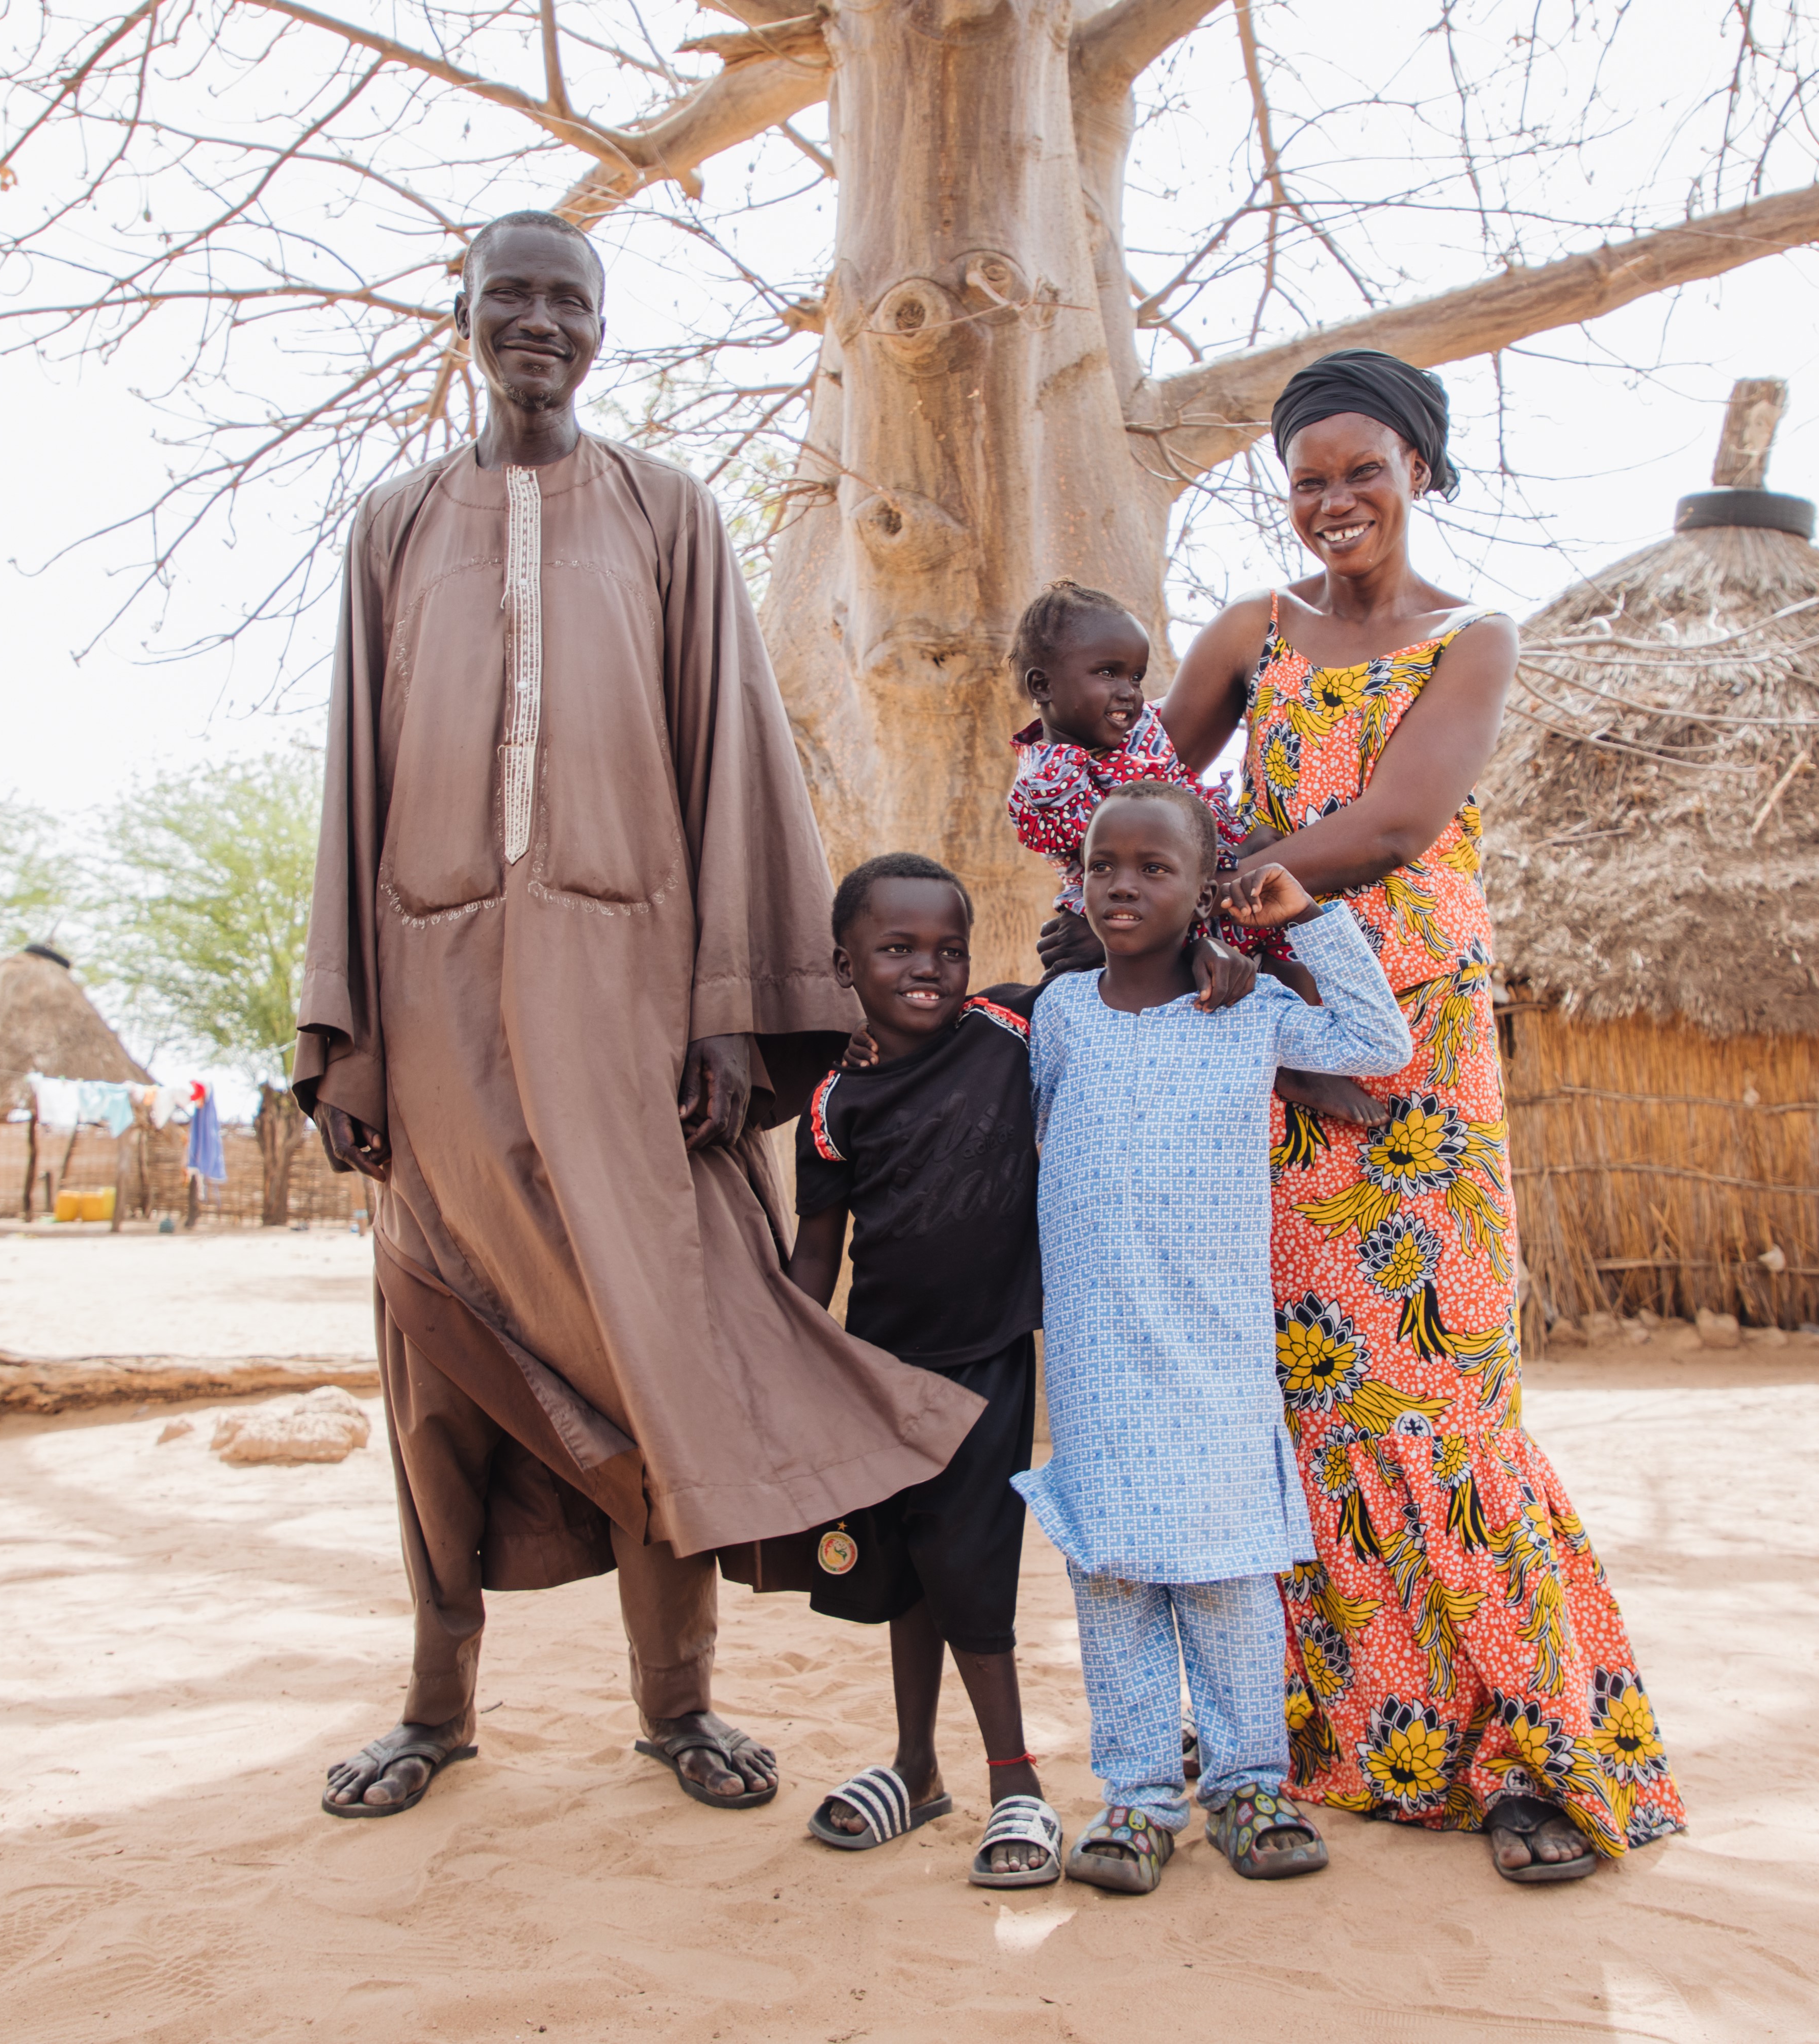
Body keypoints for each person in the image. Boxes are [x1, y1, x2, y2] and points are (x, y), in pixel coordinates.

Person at [299, 210, 985, 1820]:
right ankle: (433, 1704)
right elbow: (353, 773)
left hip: (633, 1015)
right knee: (436, 1356)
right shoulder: (392, 525)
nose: (538, 322)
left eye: (569, 300)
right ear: (462, 314)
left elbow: (732, 759)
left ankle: (677, 1707)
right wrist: (347, 1033)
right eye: (509, 296)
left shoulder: (667, 513)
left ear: (601, 330)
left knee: (655, 1340)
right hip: (435, 997)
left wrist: (733, 1013)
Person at [1151, 346, 1689, 1881]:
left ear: (1422, 477)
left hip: (1417, 1062)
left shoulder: (1474, 635)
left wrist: (1241, 878)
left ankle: (1532, 1759)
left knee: (1448, 1401)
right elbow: (1137, 771)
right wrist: (1099, 821)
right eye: (1309, 476)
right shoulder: (1250, 631)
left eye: (1363, 471)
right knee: (1308, 1400)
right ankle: (1335, 1725)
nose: (1334, 500)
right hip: (1263, 1050)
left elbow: (1398, 825)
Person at [1021, 781, 1412, 1894]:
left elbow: (1375, 1042)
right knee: (1114, 1572)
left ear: (1202, 891)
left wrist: (1300, 918)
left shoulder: (1243, 1012)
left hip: (1216, 1349)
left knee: (1232, 1571)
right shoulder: (1060, 1013)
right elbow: (1045, 1127)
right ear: (1078, 879)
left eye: (1154, 868)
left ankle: (1248, 1782)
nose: (1124, 885)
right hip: (1097, 1351)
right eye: (1105, 865)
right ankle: (1138, 1797)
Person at [785, 853, 1062, 1887]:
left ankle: (1016, 1778)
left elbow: (1098, 978)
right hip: (879, 1375)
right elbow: (817, 1254)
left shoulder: (1011, 1029)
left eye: (950, 949)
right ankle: (916, 1764)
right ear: (844, 961)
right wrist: (780, 1359)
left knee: (971, 1570)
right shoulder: (832, 1098)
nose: (929, 968)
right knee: (905, 1564)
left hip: (987, 1360)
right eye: (897, 948)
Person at [1004, 579, 1383, 1131]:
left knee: (1279, 930)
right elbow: (1115, 857)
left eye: (1136, 676)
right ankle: (1295, 1068)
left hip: (1193, 876)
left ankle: (1304, 1049)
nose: (1130, 692)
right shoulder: (1049, 777)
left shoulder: (1141, 734)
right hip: (1132, 897)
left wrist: (1233, 845)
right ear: (1044, 685)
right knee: (1229, 958)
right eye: (1108, 673)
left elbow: (1183, 798)